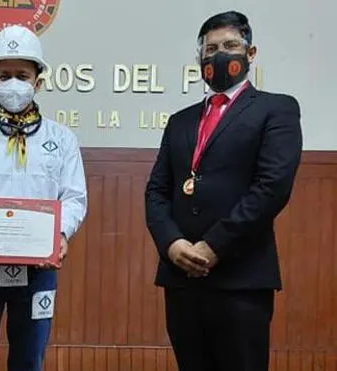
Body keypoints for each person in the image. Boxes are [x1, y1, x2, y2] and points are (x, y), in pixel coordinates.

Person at [145, 10, 303, 371]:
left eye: (230, 45)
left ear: (250, 54)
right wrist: (173, 244)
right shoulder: (180, 121)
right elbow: (156, 191)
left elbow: (272, 187)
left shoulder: (276, 109)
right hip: (181, 278)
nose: (219, 54)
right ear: (199, 58)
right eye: (211, 47)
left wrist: (213, 246)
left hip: (241, 278)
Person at [0, 25, 88, 371]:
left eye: (22, 75)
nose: (12, 83)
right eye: (4, 75)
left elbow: (74, 197)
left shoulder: (62, 140)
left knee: (29, 360)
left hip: (39, 269)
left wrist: (62, 235)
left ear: (38, 80)